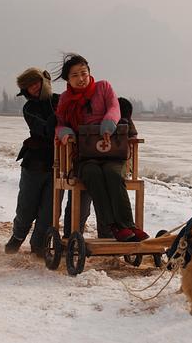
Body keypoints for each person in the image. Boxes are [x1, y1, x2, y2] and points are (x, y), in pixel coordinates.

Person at [53, 53, 149, 242]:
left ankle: (127, 225)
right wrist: (65, 133)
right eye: (75, 75)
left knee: (113, 174)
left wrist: (108, 123)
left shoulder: (103, 87)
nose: (81, 79)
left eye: (83, 73)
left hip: (112, 154)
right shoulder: (65, 99)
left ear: (89, 72)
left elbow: (114, 107)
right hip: (84, 157)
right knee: (93, 174)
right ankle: (113, 226)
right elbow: (59, 123)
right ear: (68, 79)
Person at [4, 68, 58, 256]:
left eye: (36, 83)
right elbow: (45, 130)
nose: (34, 88)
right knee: (27, 206)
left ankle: (39, 244)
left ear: (44, 81)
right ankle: (18, 237)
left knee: (50, 211)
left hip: (59, 165)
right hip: (34, 163)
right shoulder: (30, 108)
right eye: (29, 86)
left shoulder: (60, 100)